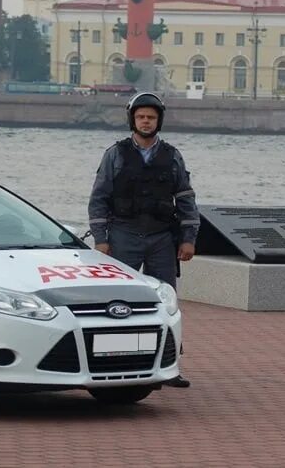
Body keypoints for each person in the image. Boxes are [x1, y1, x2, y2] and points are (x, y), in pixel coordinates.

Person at [87, 91, 199, 388]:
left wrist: (188, 239)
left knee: (166, 302)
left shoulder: (172, 155)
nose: (146, 122)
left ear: (158, 120)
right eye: (141, 117)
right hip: (123, 236)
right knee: (116, 302)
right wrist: (101, 239)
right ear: (132, 120)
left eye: (151, 117)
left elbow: (186, 200)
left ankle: (170, 367)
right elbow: (99, 199)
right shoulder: (115, 154)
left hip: (162, 238)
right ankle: (112, 363)